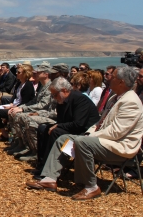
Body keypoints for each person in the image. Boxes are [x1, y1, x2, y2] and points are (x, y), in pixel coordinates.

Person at [26, 66, 143, 200]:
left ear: (121, 82)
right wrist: (88, 134)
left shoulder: (130, 102)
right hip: (106, 140)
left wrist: (87, 137)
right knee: (62, 139)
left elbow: (116, 132)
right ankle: (49, 178)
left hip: (120, 146)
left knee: (81, 142)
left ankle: (91, 187)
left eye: (113, 77)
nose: (108, 78)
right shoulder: (115, 98)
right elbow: (100, 124)